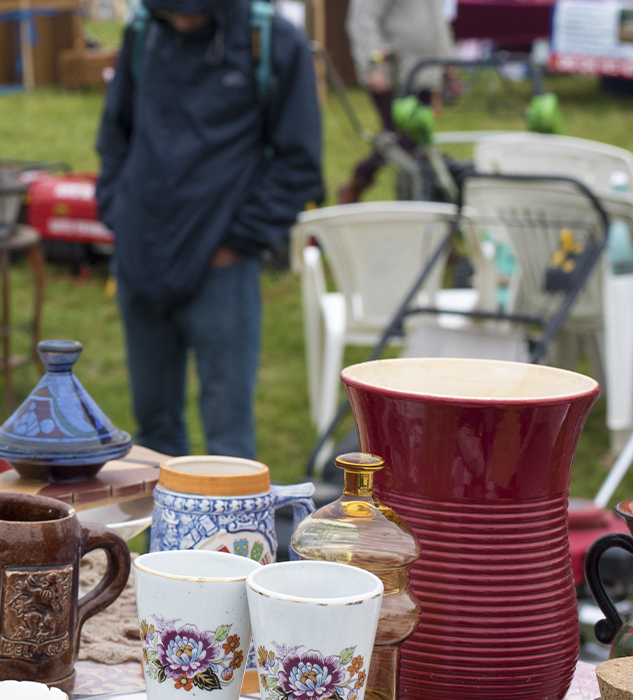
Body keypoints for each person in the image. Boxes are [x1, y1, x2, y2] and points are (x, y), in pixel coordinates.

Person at [94, 0, 323, 459]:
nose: (181, 19)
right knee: (153, 433)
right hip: (141, 254)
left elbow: (300, 164)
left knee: (228, 443)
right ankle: (164, 533)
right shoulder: (144, 33)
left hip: (221, 270)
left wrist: (236, 242)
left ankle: (232, 532)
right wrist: (119, 213)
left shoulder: (272, 42)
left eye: (193, 12)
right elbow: (115, 133)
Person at [337, 0, 453, 203]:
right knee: (398, 141)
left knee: (418, 141)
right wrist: (373, 64)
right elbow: (362, 19)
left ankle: (422, 201)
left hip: (425, 72)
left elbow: (437, 20)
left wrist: (448, 62)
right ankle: (359, 182)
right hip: (394, 74)